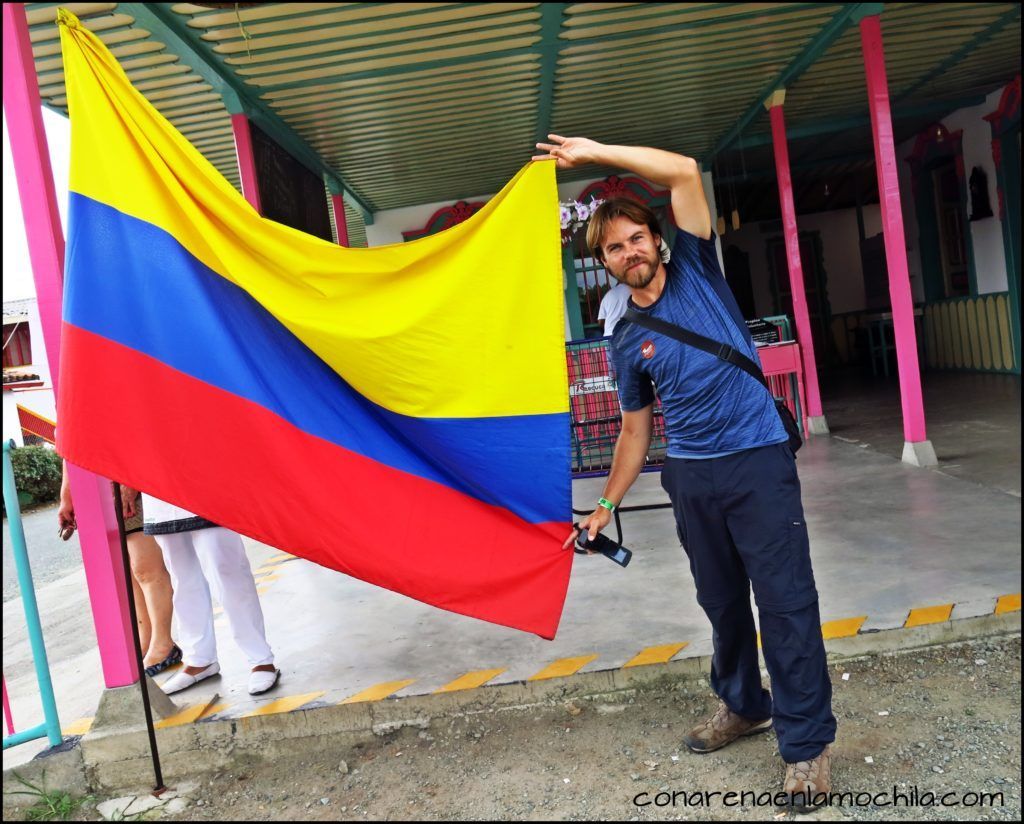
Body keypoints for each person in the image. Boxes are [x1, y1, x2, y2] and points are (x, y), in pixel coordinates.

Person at [535, 135, 836, 811]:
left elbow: (683, 171)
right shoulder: (622, 340)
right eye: (613, 248)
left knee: (785, 604)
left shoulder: (698, 264)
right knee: (723, 605)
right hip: (692, 478)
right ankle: (745, 705)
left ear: (655, 239)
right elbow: (635, 431)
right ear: (604, 263)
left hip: (758, 463)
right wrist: (605, 507)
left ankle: (806, 747)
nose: (629, 253)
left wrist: (593, 154)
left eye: (636, 238)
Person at [142, 495, 280, 696]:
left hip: (203, 480)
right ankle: (199, 659)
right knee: (182, 577)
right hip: (157, 485)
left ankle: (260, 658)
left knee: (225, 568)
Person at [58, 465, 182, 677]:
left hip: (126, 477)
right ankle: (147, 638)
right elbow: (68, 450)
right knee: (129, 571)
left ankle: (163, 643)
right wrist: (66, 495)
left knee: (146, 568)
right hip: (97, 488)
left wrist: (130, 479)